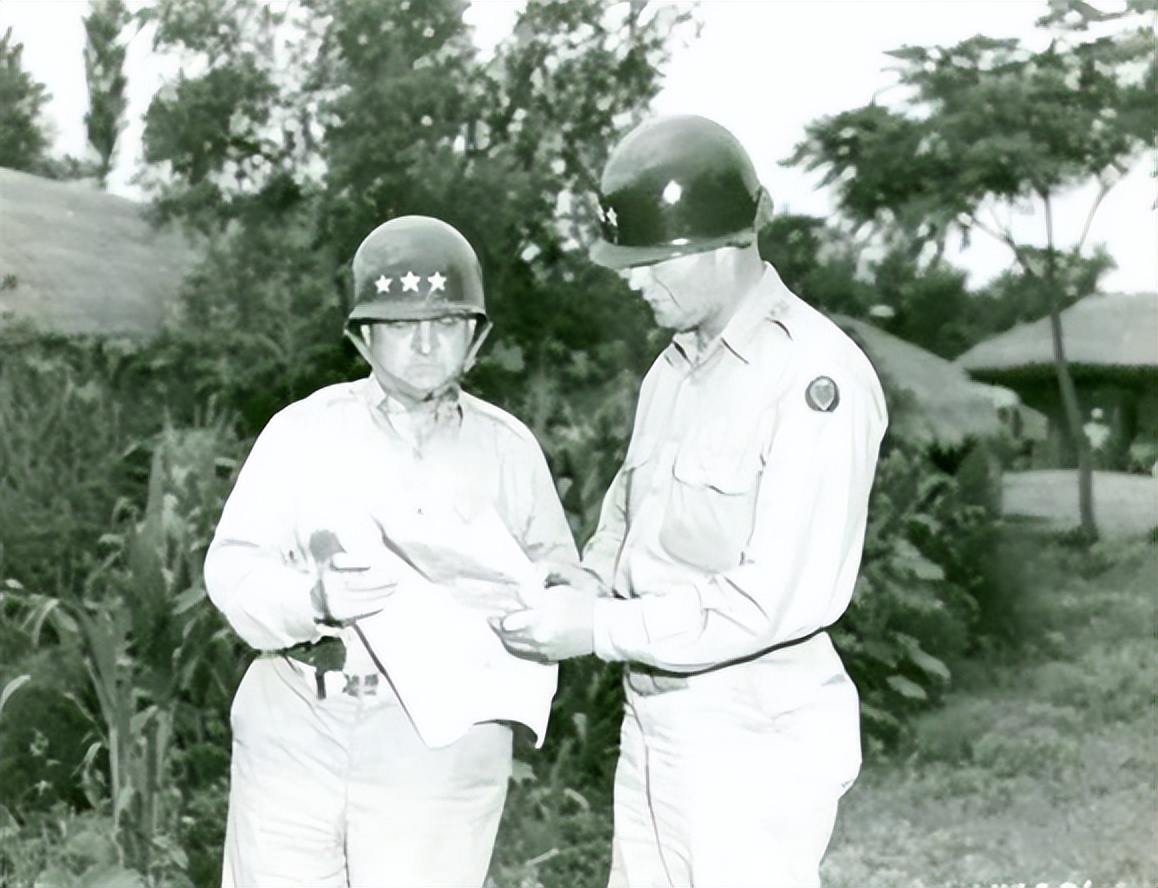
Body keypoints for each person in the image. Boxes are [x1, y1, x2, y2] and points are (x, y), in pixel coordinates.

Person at [495, 115, 889, 887]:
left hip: (753, 736)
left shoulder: (814, 380)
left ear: (721, 246)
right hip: (655, 719)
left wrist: (600, 627)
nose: (632, 280)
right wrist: (589, 579)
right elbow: (630, 507)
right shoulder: (674, 369)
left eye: (648, 262)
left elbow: (772, 599)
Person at [204, 215, 578, 887]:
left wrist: (549, 599)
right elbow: (232, 567)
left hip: (438, 745)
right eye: (403, 325)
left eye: (447, 323)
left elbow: (564, 576)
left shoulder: (509, 449)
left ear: (475, 337)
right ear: (364, 335)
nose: (426, 344)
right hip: (298, 727)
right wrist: (313, 600)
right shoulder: (301, 433)